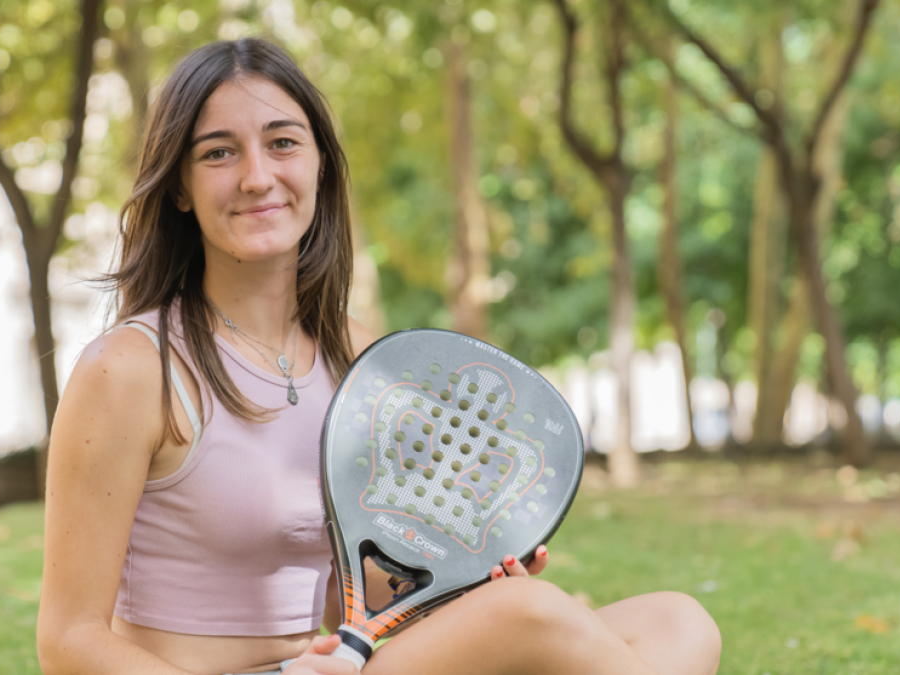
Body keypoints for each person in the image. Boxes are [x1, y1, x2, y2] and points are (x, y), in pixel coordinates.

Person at [36, 38, 721, 675]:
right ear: (180, 186)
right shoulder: (128, 370)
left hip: (347, 665)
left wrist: (465, 575)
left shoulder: (360, 355)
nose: (256, 176)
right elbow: (67, 640)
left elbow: (382, 578)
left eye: (282, 143)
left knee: (677, 623)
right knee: (530, 615)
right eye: (218, 153)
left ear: (320, 165)